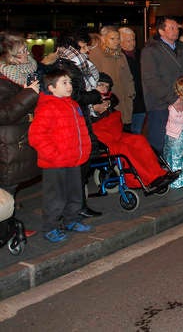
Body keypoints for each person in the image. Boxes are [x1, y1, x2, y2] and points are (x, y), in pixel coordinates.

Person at [40, 27, 105, 218]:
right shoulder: (67, 65)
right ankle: (72, 210)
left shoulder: (74, 63)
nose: (87, 50)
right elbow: (74, 95)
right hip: (70, 121)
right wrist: (95, 96)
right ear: (74, 45)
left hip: (77, 118)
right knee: (75, 168)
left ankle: (76, 207)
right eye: (84, 46)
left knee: (80, 166)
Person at [28, 68, 93, 243]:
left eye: (70, 82)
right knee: (55, 197)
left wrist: (84, 150)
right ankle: (50, 227)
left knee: (75, 193)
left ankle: (71, 220)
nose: (69, 86)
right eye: (64, 83)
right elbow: (36, 136)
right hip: (55, 163)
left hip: (73, 159)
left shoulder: (73, 105)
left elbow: (82, 130)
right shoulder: (47, 107)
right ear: (51, 88)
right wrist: (54, 155)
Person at [90, 73, 179, 192]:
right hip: (100, 141)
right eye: (100, 85)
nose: (104, 88)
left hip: (114, 135)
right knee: (124, 149)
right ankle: (147, 179)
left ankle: (158, 174)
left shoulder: (109, 99)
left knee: (139, 140)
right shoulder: (88, 101)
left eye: (107, 86)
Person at [0, 32, 42, 238]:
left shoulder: (29, 71)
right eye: (22, 51)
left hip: (21, 139)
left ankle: (9, 225)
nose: (27, 53)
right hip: (7, 143)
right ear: (10, 56)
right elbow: (4, 113)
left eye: (26, 49)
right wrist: (29, 94)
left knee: (12, 187)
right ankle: (7, 229)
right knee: (7, 188)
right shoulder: (2, 79)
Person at [141, 16, 183, 156]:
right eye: (171, 28)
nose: (176, 31)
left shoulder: (180, 49)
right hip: (161, 104)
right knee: (160, 141)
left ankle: (176, 170)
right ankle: (159, 171)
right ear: (161, 31)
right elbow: (151, 80)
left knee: (179, 140)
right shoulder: (151, 50)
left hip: (181, 101)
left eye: (177, 27)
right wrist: (173, 98)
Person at [88, 26, 135, 131]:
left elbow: (128, 77)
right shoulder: (96, 55)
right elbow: (93, 81)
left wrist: (131, 94)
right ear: (103, 39)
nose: (116, 42)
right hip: (107, 105)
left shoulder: (121, 55)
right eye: (112, 39)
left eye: (118, 38)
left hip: (124, 102)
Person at [118, 27, 146, 134]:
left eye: (133, 40)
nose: (132, 43)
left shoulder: (141, 54)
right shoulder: (118, 57)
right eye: (128, 40)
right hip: (125, 101)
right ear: (120, 42)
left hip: (140, 101)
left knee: (137, 132)